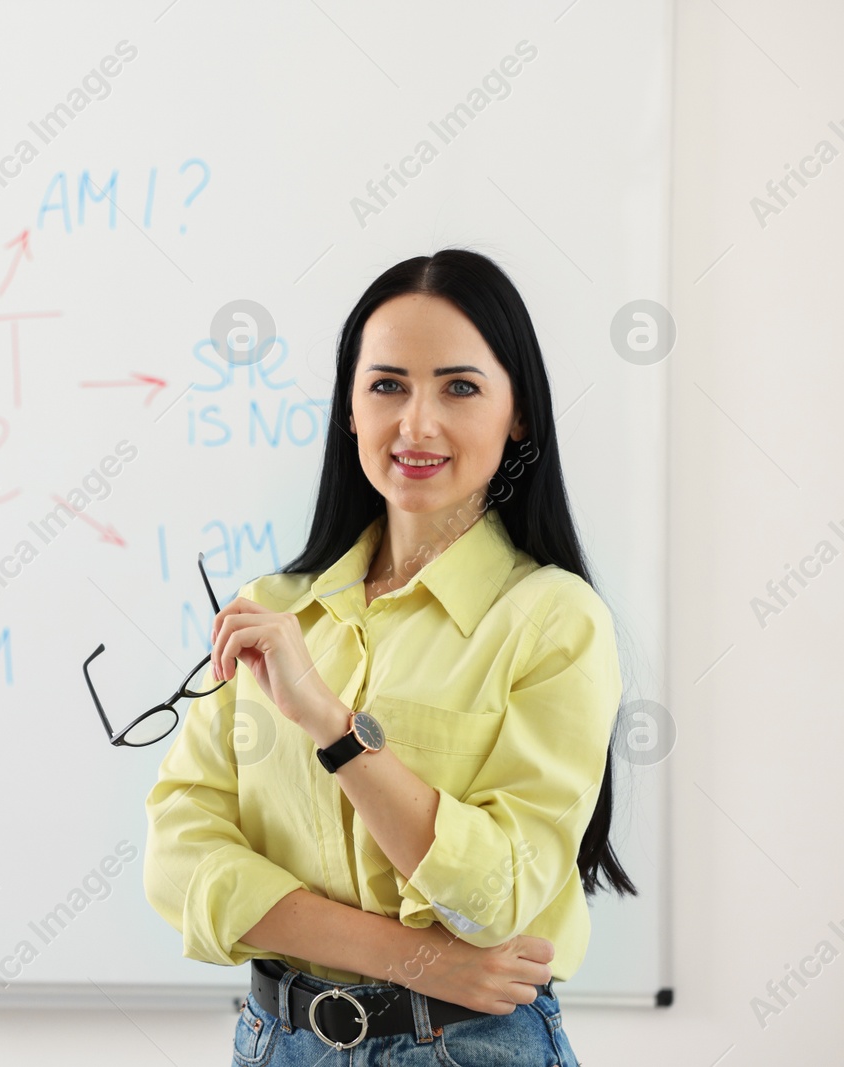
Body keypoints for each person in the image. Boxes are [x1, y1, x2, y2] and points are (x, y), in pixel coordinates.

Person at [143, 249, 636, 1066]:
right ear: (348, 409)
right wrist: (415, 956)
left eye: (460, 386)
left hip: (467, 1048)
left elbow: (500, 895)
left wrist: (333, 727)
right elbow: (180, 861)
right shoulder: (275, 607)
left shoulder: (553, 620)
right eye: (387, 385)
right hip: (277, 1044)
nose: (416, 423)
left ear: (520, 415)